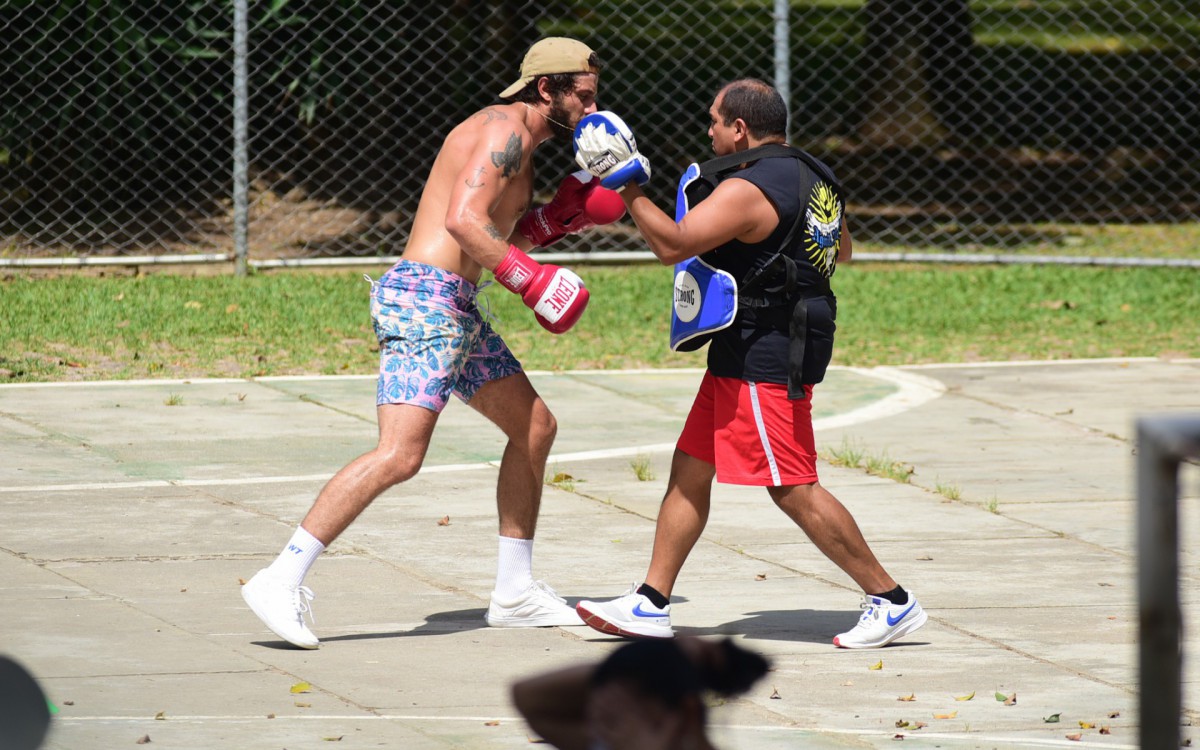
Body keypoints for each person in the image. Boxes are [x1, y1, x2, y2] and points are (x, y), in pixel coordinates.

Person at [241, 37, 627, 649]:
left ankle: (515, 592)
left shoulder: (523, 149)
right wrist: (529, 280)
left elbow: (497, 229)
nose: (591, 110)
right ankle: (278, 576)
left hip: (454, 305)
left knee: (535, 428)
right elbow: (461, 222)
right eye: (582, 96)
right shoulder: (501, 130)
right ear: (545, 88)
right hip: (424, 301)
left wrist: (555, 221)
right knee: (400, 454)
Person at [570, 80, 927, 648]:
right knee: (691, 467)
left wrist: (628, 186)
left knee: (791, 485)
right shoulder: (813, 175)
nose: (707, 129)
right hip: (745, 344)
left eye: (714, 120)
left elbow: (672, 245)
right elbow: (842, 250)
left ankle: (891, 600)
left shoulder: (748, 188)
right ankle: (651, 602)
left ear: (740, 129)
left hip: (769, 352)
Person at [511, 636, 769, 750]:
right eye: (599, 691)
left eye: (622, 700)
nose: (600, 706)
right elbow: (525, 695)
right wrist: (618, 666)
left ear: (683, 712)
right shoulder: (611, 741)